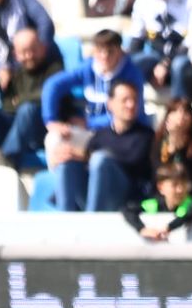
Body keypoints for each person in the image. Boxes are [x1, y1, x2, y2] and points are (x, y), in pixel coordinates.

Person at [0, 25, 63, 169]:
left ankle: (8, 157)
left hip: (37, 127)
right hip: (12, 123)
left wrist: (19, 101)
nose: (29, 56)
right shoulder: (14, 73)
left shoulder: (54, 69)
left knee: (27, 109)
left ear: (42, 48)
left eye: (33, 50)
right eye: (23, 52)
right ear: (16, 54)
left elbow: (45, 96)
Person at [56, 78, 152, 211]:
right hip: (94, 193)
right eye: (125, 100)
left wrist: (90, 158)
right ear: (110, 104)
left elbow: (132, 160)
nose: (130, 105)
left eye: (134, 100)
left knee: (100, 159)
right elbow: (86, 158)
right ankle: (65, 219)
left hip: (125, 196)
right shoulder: (100, 135)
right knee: (67, 165)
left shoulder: (145, 135)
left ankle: (92, 219)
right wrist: (72, 156)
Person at [126, 158, 192, 236]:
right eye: (174, 185)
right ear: (160, 187)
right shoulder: (154, 204)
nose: (180, 190)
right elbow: (127, 210)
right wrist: (142, 229)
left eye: (183, 184)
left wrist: (169, 227)